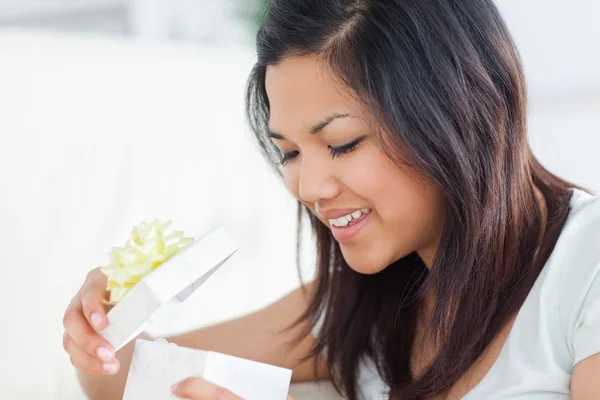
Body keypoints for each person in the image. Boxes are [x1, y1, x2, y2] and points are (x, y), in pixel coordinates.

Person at [62, 0, 600, 399]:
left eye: (342, 144)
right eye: (291, 153)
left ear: (458, 115)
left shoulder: (585, 266)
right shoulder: (357, 309)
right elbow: (123, 377)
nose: (308, 188)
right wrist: (111, 318)